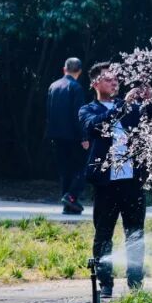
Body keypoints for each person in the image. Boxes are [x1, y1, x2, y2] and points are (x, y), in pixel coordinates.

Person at [80, 63, 152, 298]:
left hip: (132, 180)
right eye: (108, 79)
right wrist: (123, 106)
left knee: (136, 233)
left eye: (117, 80)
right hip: (105, 183)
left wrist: (149, 101)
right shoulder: (87, 110)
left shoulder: (130, 108)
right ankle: (106, 284)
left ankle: (136, 283)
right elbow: (96, 127)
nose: (115, 83)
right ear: (95, 83)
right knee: (103, 233)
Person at [45, 58, 89, 214]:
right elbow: (79, 115)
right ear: (80, 71)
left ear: (64, 69)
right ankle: (71, 196)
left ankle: (68, 205)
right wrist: (84, 136)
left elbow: (49, 112)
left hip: (56, 135)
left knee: (65, 171)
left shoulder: (53, 86)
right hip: (73, 135)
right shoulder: (76, 87)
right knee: (82, 167)